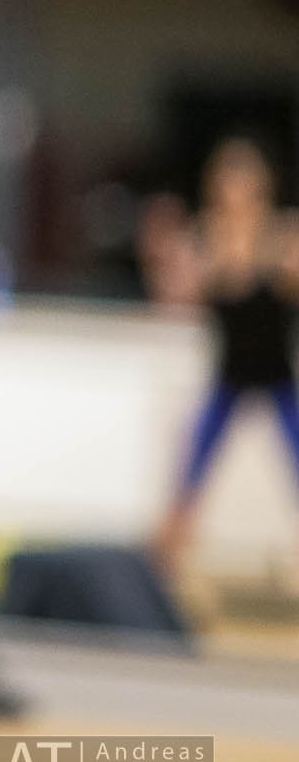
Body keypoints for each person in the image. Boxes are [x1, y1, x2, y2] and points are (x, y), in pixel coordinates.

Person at [142, 137, 299, 573]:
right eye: (230, 178)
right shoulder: (205, 238)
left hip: (278, 376)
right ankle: (160, 572)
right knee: (188, 477)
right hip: (228, 376)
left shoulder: (282, 235)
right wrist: (160, 253)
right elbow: (175, 301)